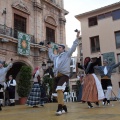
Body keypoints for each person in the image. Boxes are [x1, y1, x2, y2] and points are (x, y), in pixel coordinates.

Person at [47, 31, 80, 115]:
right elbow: (51, 55)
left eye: (60, 47)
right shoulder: (56, 57)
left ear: (63, 48)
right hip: (56, 76)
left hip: (64, 75)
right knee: (55, 93)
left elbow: (73, 47)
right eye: (57, 47)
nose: (58, 48)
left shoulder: (67, 54)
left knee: (59, 89)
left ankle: (59, 108)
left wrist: (77, 37)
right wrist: (49, 48)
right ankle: (64, 107)